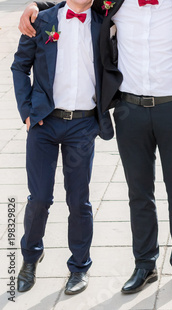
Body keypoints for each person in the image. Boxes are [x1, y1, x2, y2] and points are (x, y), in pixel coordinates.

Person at [19, 0, 172, 294]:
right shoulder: (115, 3)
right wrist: (34, 4)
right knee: (139, 192)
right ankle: (144, 263)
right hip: (129, 111)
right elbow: (75, 4)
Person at [11, 0, 113, 295]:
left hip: (83, 125)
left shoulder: (102, 21)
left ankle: (79, 266)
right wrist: (26, 110)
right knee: (39, 198)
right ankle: (30, 257)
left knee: (79, 200)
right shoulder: (43, 20)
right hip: (44, 124)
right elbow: (20, 66)